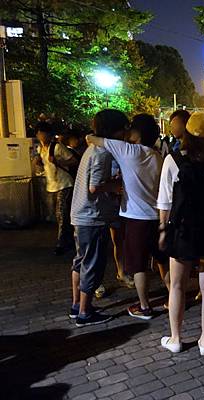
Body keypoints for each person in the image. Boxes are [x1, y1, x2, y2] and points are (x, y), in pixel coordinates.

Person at [157, 112, 204, 354]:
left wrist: (162, 230)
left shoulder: (173, 160)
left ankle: (176, 339)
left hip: (183, 231)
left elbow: (165, 202)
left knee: (177, 285)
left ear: (187, 132)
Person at [86, 113, 167, 320]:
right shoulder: (157, 156)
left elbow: (92, 139)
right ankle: (175, 298)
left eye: (131, 128)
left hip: (135, 218)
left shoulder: (127, 150)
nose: (127, 131)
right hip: (156, 216)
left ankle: (145, 307)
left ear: (138, 133)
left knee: (138, 266)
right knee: (162, 261)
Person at [69, 109, 126, 327]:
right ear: (114, 130)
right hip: (92, 216)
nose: (124, 134)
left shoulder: (91, 149)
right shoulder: (103, 153)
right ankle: (85, 312)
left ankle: (77, 305)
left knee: (80, 261)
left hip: (80, 214)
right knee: (92, 264)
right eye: (123, 129)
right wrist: (116, 185)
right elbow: (95, 187)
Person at [35, 121, 78, 255]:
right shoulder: (40, 149)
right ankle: (70, 241)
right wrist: (39, 163)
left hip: (65, 184)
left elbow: (74, 160)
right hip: (52, 185)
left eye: (44, 134)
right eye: (40, 134)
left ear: (49, 134)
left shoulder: (57, 147)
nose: (42, 136)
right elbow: (45, 166)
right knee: (59, 215)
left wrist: (59, 161)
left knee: (62, 214)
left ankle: (62, 243)